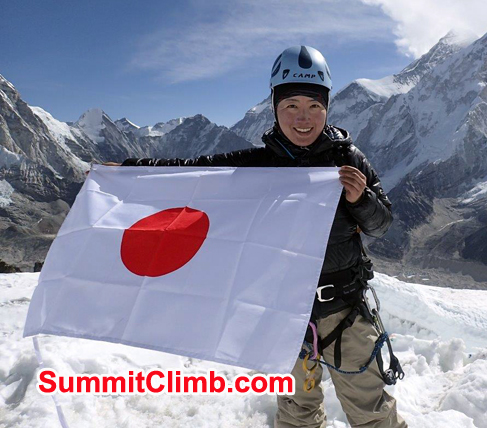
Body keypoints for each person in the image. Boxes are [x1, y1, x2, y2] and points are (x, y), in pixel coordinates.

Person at [122, 45, 407, 428]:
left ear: (327, 108)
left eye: (314, 106)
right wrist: (125, 173)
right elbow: (192, 175)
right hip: (284, 313)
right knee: (296, 413)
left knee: (372, 414)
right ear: (274, 107)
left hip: (345, 309)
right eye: (291, 106)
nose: (303, 118)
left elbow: (382, 225)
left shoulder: (350, 160)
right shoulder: (257, 165)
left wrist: (362, 199)